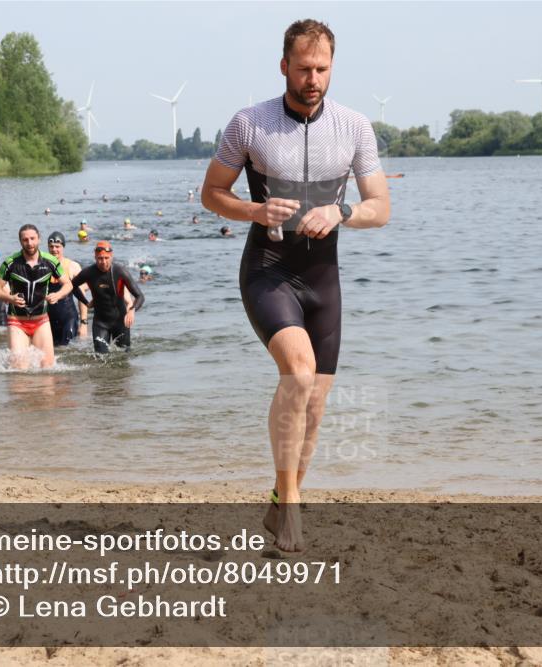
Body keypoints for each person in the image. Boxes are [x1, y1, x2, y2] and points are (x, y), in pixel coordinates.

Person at [201, 19, 390, 551]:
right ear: (284, 65)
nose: (313, 79)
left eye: (322, 69)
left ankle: (283, 499)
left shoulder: (354, 127)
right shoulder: (249, 124)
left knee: (316, 407)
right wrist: (256, 209)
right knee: (298, 374)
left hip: (322, 278)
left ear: (333, 67)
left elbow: (381, 207)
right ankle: (294, 515)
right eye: (304, 68)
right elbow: (212, 194)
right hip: (269, 270)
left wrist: (342, 210)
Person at [0, 224, 73, 369]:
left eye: (32, 239)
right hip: (17, 322)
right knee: (19, 369)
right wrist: (10, 298)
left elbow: (68, 285)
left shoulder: (50, 261)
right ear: (20, 241)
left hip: (41, 321)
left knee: (48, 368)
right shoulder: (10, 263)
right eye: (25, 240)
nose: (29, 243)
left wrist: (58, 295)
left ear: (39, 239)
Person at [72, 240, 145, 353]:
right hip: (100, 323)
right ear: (95, 257)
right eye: (100, 258)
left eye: (106, 258)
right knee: (101, 357)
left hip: (120, 321)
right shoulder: (89, 272)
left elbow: (140, 296)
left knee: (124, 358)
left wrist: (132, 310)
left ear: (111, 256)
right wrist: (86, 302)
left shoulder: (120, 271)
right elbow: (72, 285)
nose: (103, 262)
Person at [46, 232, 88, 346]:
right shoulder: (43, 266)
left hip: (68, 317)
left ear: (63, 247)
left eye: (57, 247)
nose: (54, 249)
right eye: (51, 247)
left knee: (67, 349)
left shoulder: (72, 266)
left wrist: (83, 323)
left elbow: (82, 294)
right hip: (48, 318)